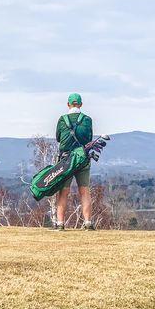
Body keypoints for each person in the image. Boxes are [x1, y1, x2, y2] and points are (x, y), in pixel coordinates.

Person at [55, 93, 95, 231]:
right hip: (82, 159)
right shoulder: (87, 120)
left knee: (63, 192)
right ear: (81, 104)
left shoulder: (62, 120)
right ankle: (88, 222)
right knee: (84, 191)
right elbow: (89, 138)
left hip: (66, 160)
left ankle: (60, 224)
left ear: (68, 104)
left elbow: (58, 138)